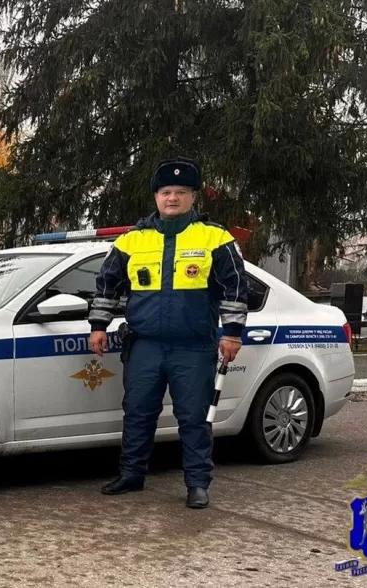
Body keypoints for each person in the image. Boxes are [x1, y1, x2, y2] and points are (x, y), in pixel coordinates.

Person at [88, 157, 248, 509]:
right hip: (145, 345)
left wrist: (232, 333)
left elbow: (236, 287)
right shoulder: (133, 241)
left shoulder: (214, 238)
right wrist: (98, 326)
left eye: (180, 192)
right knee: (138, 412)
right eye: (165, 192)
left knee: (193, 417)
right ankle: (132, 475)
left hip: (192, 347)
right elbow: (107, 285)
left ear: (193, 196)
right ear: (156, 197)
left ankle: (197, 483)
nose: (171, 198)